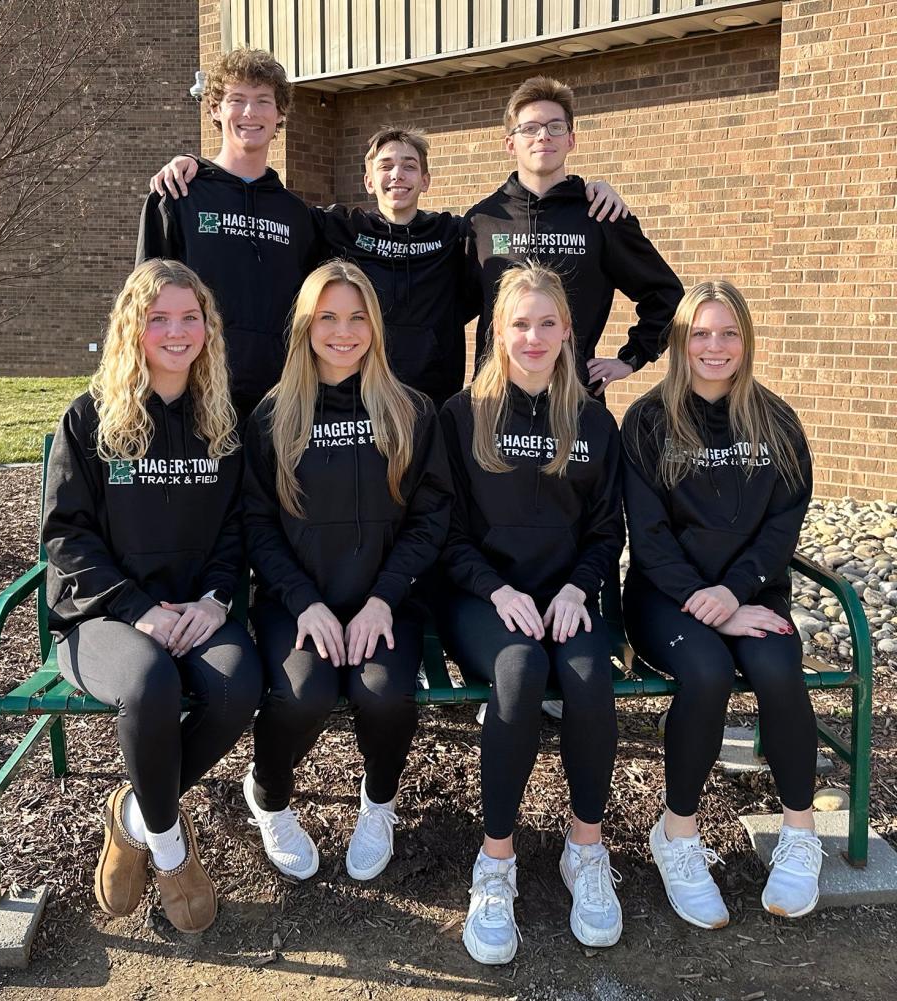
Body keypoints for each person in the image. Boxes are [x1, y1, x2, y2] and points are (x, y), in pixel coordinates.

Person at [42, 259, 263, 933]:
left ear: (208, 329)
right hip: (102, 615)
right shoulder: (90, 420)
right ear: (132, 328)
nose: (175, 331)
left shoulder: (223, 422)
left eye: (189, 317)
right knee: (150, 681)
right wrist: (137, 608)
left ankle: (133, 814)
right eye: (158, 318)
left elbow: (238, 529)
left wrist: (216, 600)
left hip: (196, 608)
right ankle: (170, 849)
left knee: (237, 685)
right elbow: (65, 538)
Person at [149, 123, 628, 410]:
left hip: (429, 399)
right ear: (368, 177)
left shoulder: (452, 235)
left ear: (425, 179)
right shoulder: (336, 228)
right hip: (356, 398)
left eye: (408, 165)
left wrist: (592, 189)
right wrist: (198, 165)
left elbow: (483, 283)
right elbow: (266, 211)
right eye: (385, 165)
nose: (396, 174)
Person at [437, 262, 624, 964]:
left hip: (566, 596)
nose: (534, 335)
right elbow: (445, 531)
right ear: (497, 332)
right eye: (520, 323)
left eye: (548, 322)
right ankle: (496, 862)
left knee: (586, 676)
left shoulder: (594, 422)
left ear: (568, 331)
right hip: (483, 599)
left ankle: (586, 846)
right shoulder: (462, 416)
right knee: (518, 674)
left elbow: (608, 530)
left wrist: (578, 587)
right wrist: (496, 589)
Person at [241, 259, 452, 881]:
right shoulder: (272, 416)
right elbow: (256, 525)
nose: (343, 330)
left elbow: (431, 517)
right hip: (296, 600)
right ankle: (269, 797)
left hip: (385, 601)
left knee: (384, 696)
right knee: (303, 695)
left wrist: (386, 597)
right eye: (328, 316)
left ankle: (378, 803)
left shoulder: (410, 411)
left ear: (375, 327)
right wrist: (303, 600)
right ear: (306, 326)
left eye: (357, 316)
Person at [621, 280, 820, 929]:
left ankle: (800, 831)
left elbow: (782, 526)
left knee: (777, 670)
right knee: (706, 673)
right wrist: (714, 606)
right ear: (680, 341)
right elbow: (647, 537)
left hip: (754, 593)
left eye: (728, 332)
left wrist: (735, 596)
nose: (715, 345)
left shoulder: (777, 421)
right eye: (700, 333)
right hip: (665, 599)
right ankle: (677, 835)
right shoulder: (649, 422)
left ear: (746, 340)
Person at [464, 75, 684, 396]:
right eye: (530, 128)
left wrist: (631, 358)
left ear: (571, 140)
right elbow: (444, 308)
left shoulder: (600, 214)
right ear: (510, 143)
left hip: (576, 401)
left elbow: (667, 297)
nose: (543, 137)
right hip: (497, 401)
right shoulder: (482, 222)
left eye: (555, 127)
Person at [136, 48, 318, 417]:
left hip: (278, 403)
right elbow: (143, 303)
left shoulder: (298, 216)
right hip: (194, 397)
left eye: (263, 101)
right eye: (237, 99)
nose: (250, 113)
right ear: (216, 109)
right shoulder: (177, 196)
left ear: (279, 113)